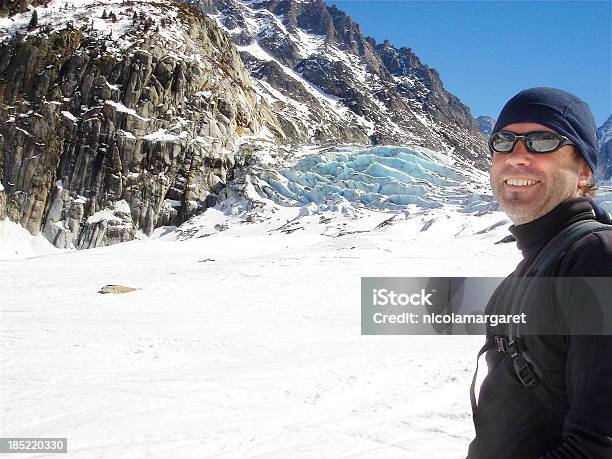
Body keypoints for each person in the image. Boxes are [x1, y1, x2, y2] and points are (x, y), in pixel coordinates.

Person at [467, 87, 612, 458]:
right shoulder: (534, 268)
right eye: (503, 141)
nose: (516, 157)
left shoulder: (596, 259)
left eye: (542, 141)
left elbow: (597, 448)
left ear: (583, 170)